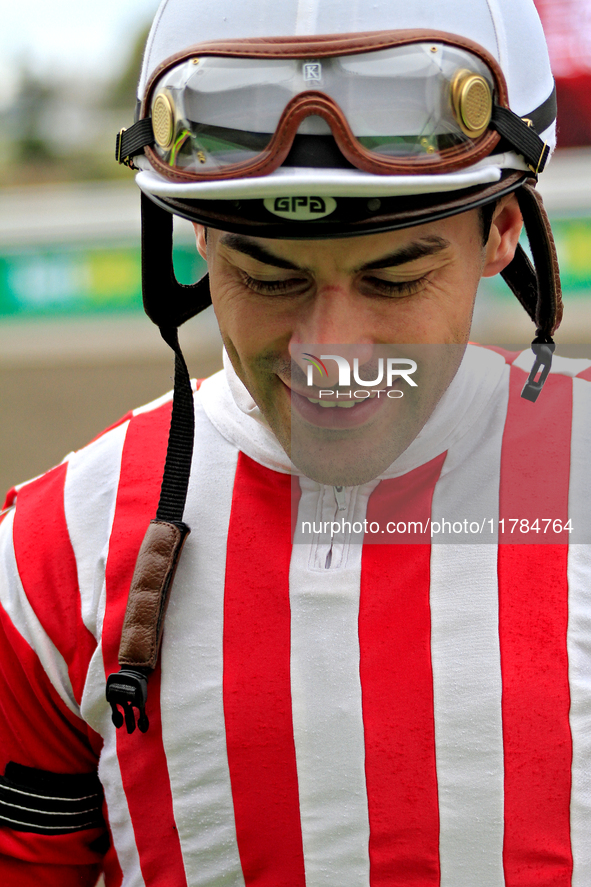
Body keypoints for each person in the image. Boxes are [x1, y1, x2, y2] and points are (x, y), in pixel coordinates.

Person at [1, 0, 590, 884]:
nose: (330, 350)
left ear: (503, 229)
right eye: (267, 276)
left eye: (394, 277)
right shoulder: (46, 556)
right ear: (196, 237)